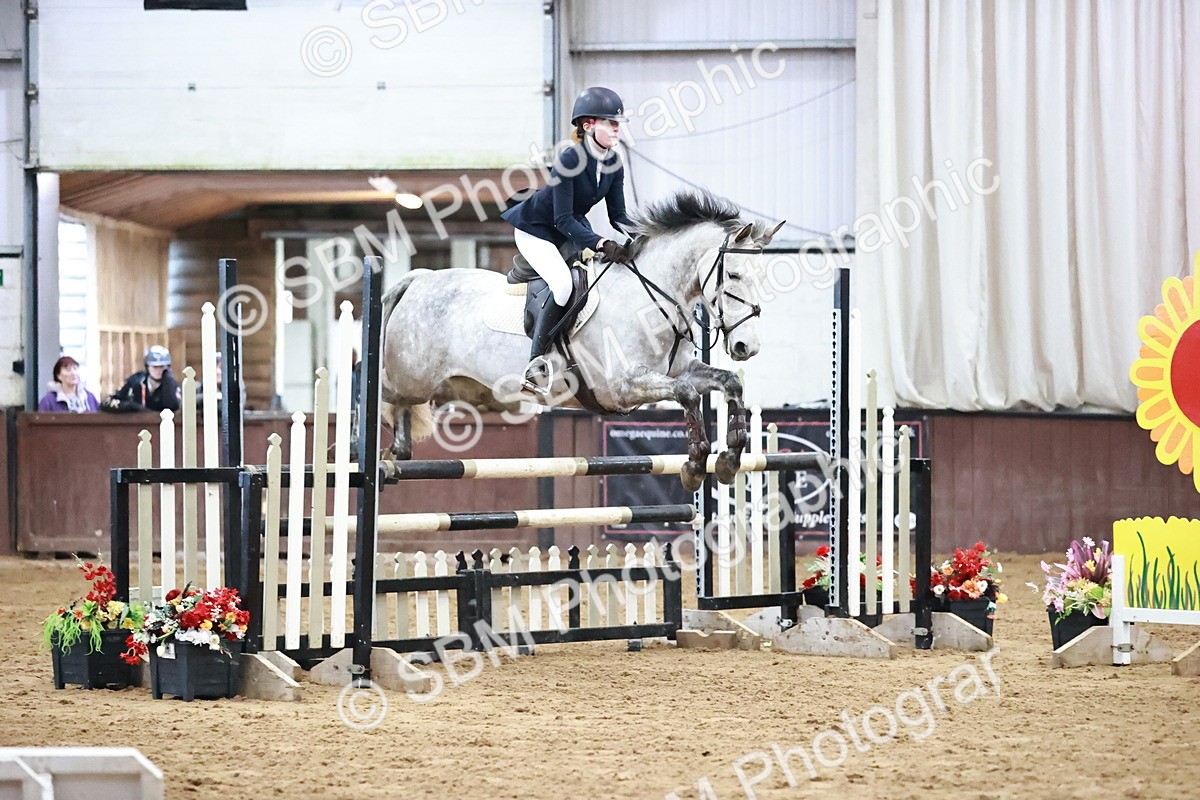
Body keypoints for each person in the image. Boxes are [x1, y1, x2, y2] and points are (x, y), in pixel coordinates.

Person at [501, 86, 636, 393]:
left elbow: (619, 216)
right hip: (537, 229)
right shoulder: (569, 159)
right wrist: (601, 244)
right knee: (563, 285)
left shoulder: (613, 163)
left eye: (618, 124)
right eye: (610, 123)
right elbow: (562, 218)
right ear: (588, 125)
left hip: (569, 231)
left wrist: (643, 235)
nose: (617, 128)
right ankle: (535, 365)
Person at [101, 344, 181, 413]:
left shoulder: (172, 385)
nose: (158, 370)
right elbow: (107, 402)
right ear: (147, 367)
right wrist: (132, 407)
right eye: (155, 367)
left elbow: (174, 406)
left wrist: (168, 383)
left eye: (162, 367)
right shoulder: (135, 382)